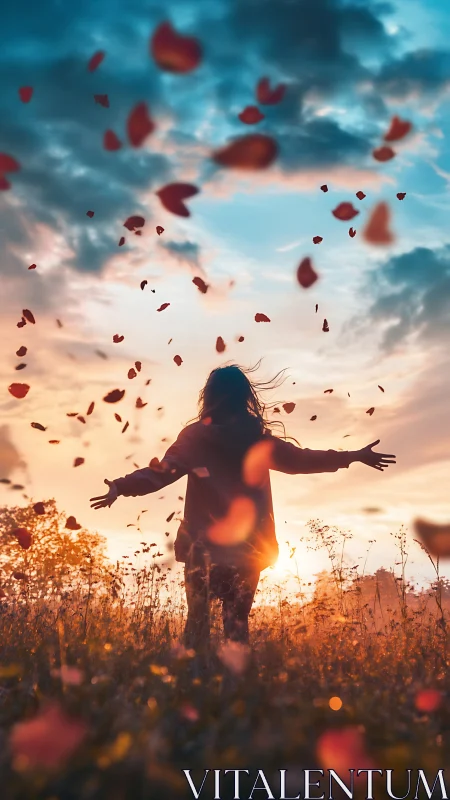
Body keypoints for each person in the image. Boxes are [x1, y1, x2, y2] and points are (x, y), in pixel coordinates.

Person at [90, 364, 396, 651]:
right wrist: (351, 456)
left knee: (196, 628)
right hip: (248, 551)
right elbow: (302, 460)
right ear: (244, 397)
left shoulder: (195, 438)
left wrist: (121, 486)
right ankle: (238, 695)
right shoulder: (257, 440)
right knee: (237, 630)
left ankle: (193, 692)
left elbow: (161, 473)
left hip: (203, 550)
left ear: (208, 398)